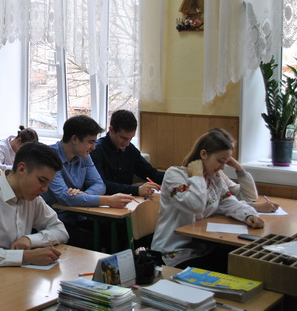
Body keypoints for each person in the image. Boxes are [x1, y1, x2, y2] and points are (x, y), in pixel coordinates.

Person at [151, 129, 264, 272]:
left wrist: (249, 215)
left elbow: (230, 202)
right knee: (229, 269)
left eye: (225, 162)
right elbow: (195, 205)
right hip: (174, 252)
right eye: (220, 161)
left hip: (202, 248)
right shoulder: (174, 175)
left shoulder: (214, 178)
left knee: (243, 263)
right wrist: (198, 175)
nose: (222, 167)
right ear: (203, 154)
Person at [0, 142, 69, 266]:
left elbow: (60, 230)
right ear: (22, 169)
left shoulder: (32, 198)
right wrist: (25, 257)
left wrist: (30, 239)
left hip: (18, 274)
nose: (45, 189)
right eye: (41, 181)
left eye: (48, 183)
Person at [41, 115, 133, 247]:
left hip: (79, 215)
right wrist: (107, 200)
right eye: (90, 142)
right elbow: (64, 197)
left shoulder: (84, 156)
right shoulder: (49, 157)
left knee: (121, 230)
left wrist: (84, 195)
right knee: (92, 240)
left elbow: (99, 184)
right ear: (74, 139)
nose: (94, 147)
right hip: (55, 221)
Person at [90, 110, 163, 196]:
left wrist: (172, 178)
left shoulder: (130, 149)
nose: (127, 143)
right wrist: (137, 190)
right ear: (111, 130)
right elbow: (101, 185)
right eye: (123, 138)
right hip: (105, 199)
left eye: (131, 138)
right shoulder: (96, 150)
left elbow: (150, 173)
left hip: (127, 199)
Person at [208, 128, 279, 213]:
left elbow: (249, 197)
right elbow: (211, 207)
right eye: (221, 160)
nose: (223, 166)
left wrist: (239, 168)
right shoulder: (196, 175)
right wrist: (254, 207)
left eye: (228, 158)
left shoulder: (218, 174)